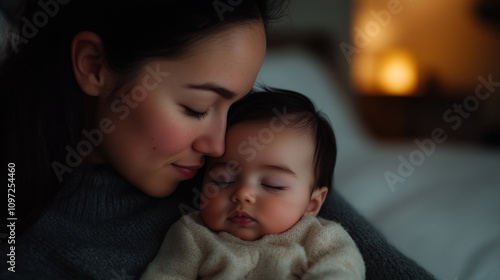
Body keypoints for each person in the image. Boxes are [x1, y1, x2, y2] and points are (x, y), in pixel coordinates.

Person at [1, 0, 437, 279]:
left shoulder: (259, 173)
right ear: (94, 65)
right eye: (196, 108)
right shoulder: (19, 225)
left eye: (235, 107)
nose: (218, 145)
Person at [140, 88, 365, 279]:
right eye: (223, 180)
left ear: (312, 204)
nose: (243, 194)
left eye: (273, 185)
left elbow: (342, 270)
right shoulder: (194, 234)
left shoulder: (318, 236)